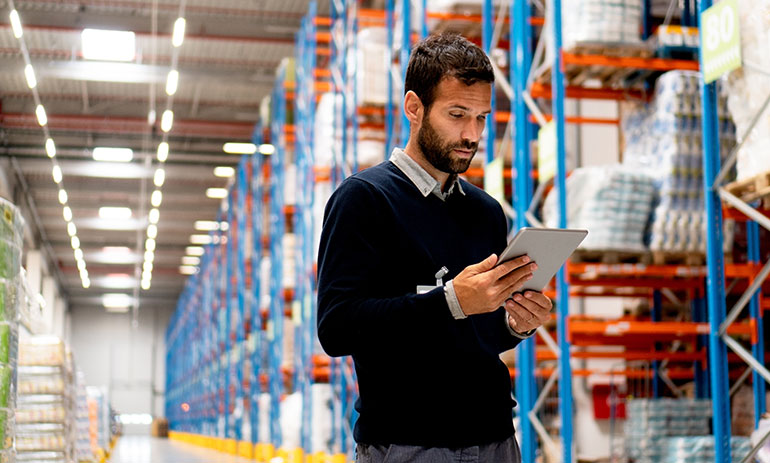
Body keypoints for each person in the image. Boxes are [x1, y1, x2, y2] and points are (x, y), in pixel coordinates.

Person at [316, 33, 553, 463]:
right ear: (414, 108)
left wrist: (516, 324)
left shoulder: (486, 212)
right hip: (408, 445)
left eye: (481, 118)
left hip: (496, 440)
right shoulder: (363, 199)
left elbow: (478, 335)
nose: (471, 134)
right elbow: (337, 328)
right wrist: (451, 302)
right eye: (457, 114)